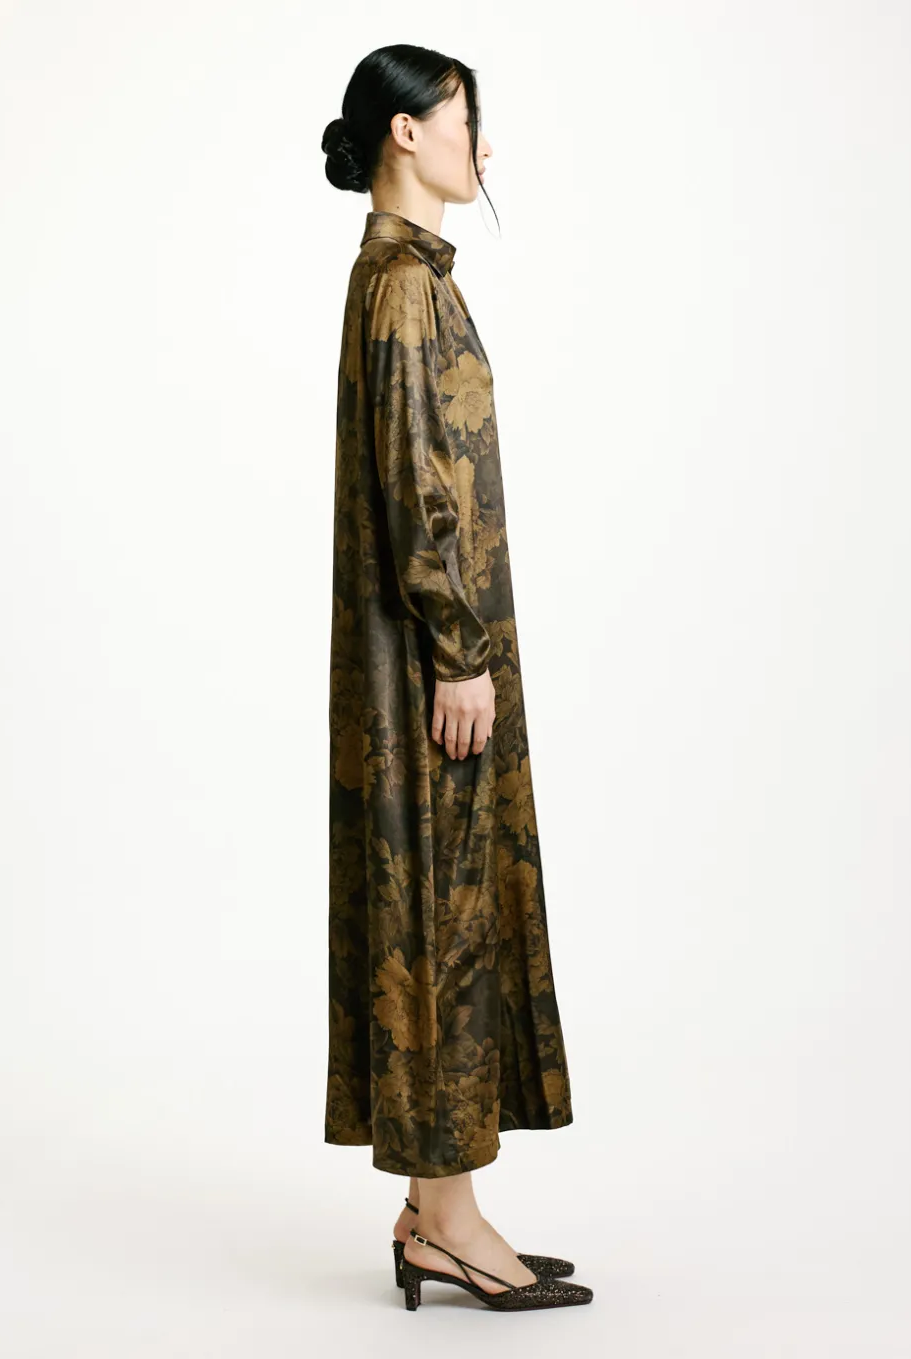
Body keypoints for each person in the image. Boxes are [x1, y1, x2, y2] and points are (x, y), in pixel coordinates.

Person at [321, 44, 592, 1313]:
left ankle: (431, 1215)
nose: (482, 148)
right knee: (439, 916)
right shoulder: (399, 289)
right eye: (464, 120)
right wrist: (458, 653)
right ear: (404, 134)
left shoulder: (408, 278)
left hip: (435, 650)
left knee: (446, 905)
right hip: (431, 660)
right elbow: (414, 486)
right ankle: (453, 1220)